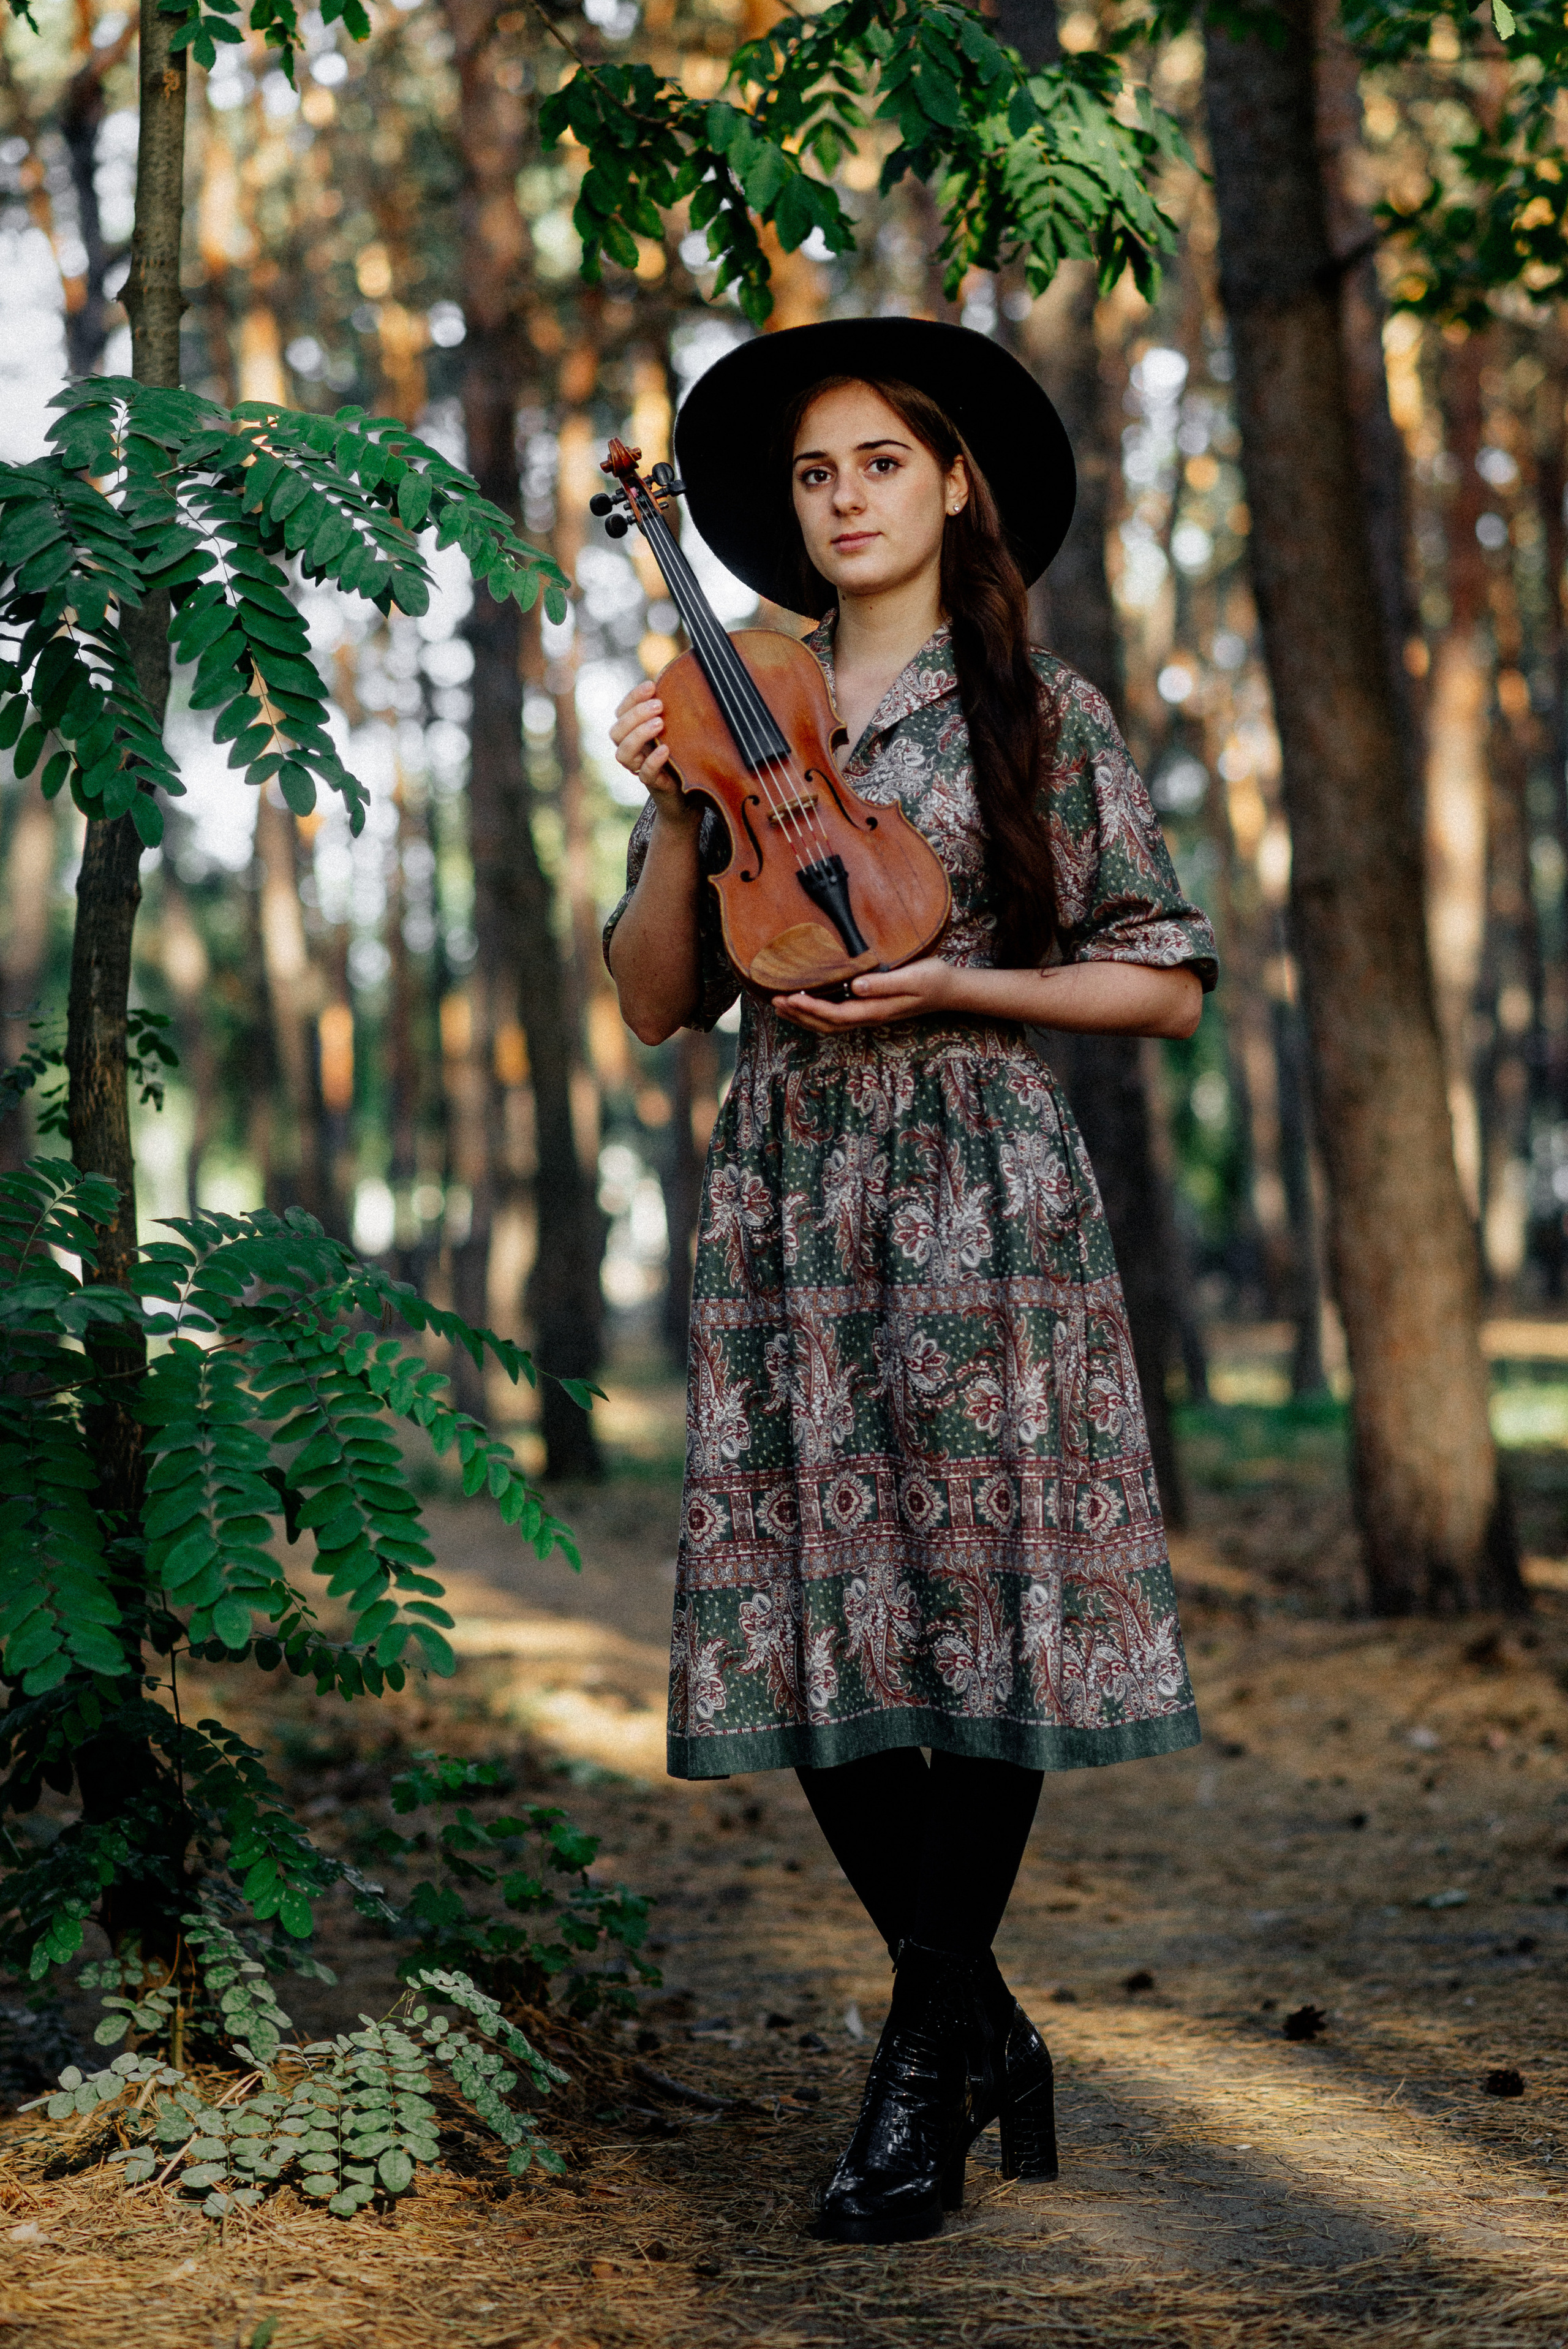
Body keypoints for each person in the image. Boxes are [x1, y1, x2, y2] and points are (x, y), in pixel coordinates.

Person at [603, 317, 1217, 2245]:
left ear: (953, 484)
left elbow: (1165, 979)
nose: (842, 497)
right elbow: (647, 998)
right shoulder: (727, 701)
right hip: (790, 1185)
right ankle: (977, 2028)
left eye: (877, 461)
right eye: (809, 472)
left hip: (979, 1185)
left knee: (975, 1632)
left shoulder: (1047, 712)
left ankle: (913, 2074)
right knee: (821, 1633)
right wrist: (660, 809)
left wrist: (959, 982)